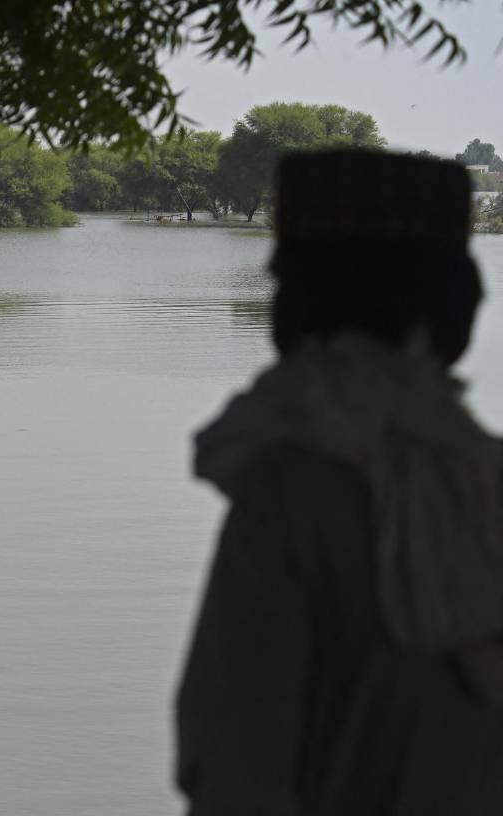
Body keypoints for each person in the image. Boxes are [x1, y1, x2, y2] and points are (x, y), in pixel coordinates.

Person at [176, 150, 503, 813]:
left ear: (299, 302)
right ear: (458, 303)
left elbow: (234, 759)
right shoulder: (485, 475)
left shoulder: (290, 492)